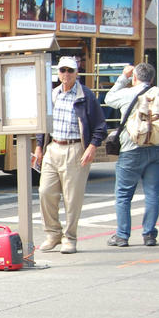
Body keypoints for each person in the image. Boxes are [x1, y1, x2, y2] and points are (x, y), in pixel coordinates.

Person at [32, 56, 107, 254]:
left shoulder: (86, 96)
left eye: (70, 71)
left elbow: (100, 126)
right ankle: (53, 233)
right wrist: (40, 146)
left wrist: (92, 147)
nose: (66, 74)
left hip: (75, 148)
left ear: (76, 73)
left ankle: (70, 237)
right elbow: (44, 123)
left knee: (72, 198)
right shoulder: (53, 94)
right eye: (63, 70)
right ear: (58, 72)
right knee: (45, 192)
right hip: (53, 147)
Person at [103, 63, 159, 247]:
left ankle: (122, 235)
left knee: (124, 194)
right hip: (156, 148)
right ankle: (149, 234)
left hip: (131, 149)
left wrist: (123, 77)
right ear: (151, 79)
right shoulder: (157, 93)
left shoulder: (127, 94)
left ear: (135, 77)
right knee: (152, 193)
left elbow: (109, 98)